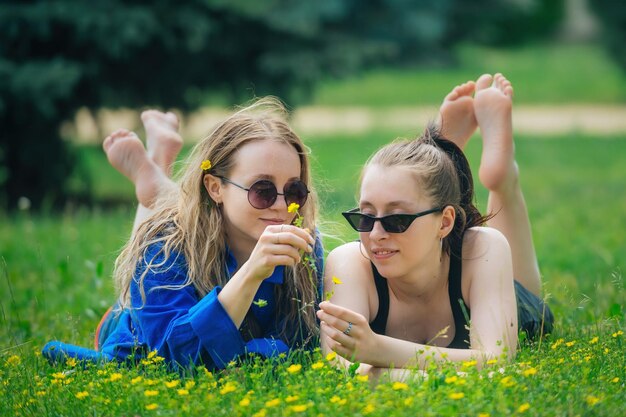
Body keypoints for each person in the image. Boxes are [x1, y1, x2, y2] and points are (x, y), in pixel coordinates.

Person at [43, 97, 324, 371]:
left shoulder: (304, 246)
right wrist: (251, 273)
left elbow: (301, 343)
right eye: (261, 190)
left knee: (177, 218)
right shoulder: (163, 247)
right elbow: (175, 356)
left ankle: (156, 170)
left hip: (188, 233)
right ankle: (155, 175)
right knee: (158, 243)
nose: (281, 206)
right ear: (215, 188)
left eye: (293, 191)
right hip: (137, 318)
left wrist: (247, 354)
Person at [317, 74, 553, 380]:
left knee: (525, 293)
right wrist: (464, 372)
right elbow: (343, 370)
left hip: (487, 281)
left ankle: (503, 179)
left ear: (444, 222)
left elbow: (498, 363)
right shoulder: (349, 262)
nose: (375, 235)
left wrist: (379, 352)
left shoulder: (484, 247)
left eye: (397, 220)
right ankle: (445, 153)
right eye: (365, 217)